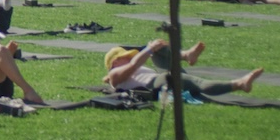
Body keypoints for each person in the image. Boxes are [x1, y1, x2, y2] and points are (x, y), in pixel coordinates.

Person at [104, 39, 263, 98]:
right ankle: (239, 84)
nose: (131, 56)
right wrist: (149, 49)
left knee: (158, 51)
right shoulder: (114, 75)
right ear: (115, 62)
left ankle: (186, 55)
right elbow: (134, 65)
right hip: (156, 84)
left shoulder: (127, 66)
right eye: (126, 56)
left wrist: (153, 49)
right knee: (196, 82)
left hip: (162, 77)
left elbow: (137, 62)